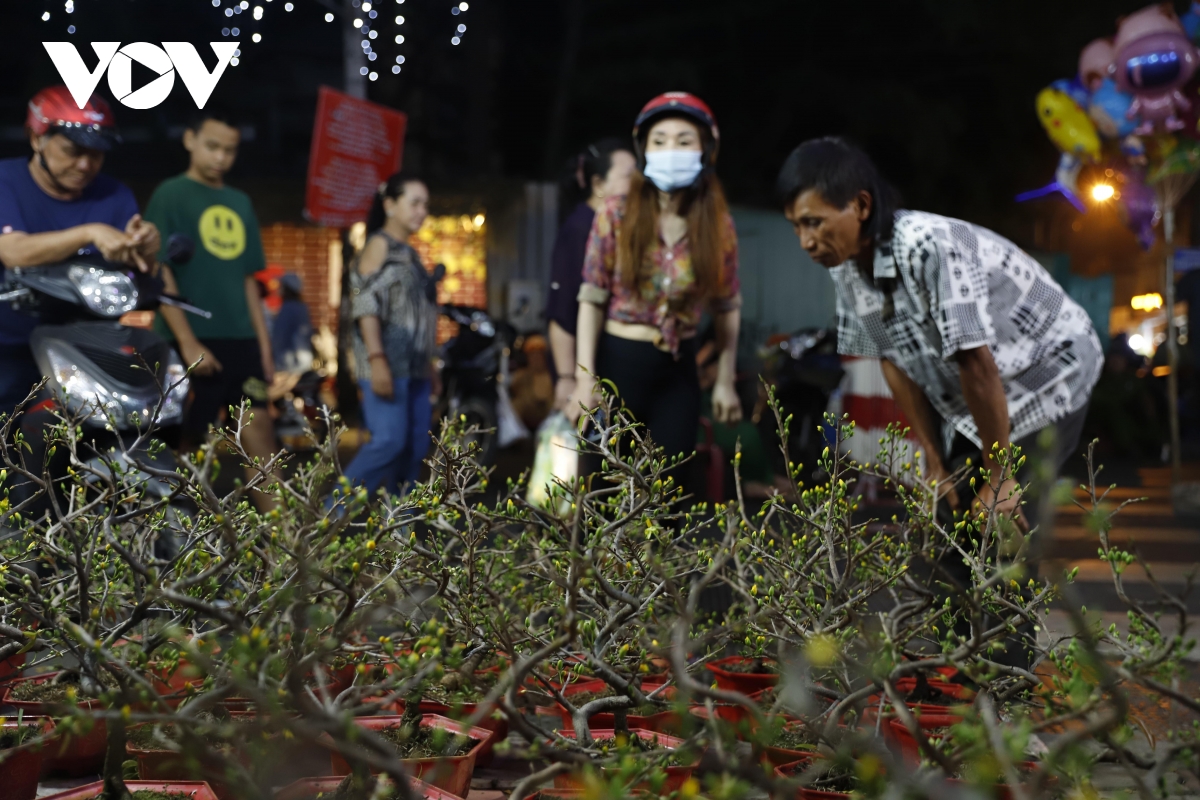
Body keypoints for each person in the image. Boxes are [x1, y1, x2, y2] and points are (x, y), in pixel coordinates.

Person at [776, 137, 1103, 534]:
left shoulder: (929, 248)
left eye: (814, 222)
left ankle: (1011, 585)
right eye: (796, 226)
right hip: (987, 390)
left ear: (861, 206)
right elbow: (892, 358)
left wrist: (999, 474)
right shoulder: (845, 267)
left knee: (1002, 525)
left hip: (1050, 367)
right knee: (954, 510)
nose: (805, 242)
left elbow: (975, 362)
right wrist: (932, 458)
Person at [568, 92, 743, 468]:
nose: (671, 150)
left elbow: (727, 304)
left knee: (667, 492)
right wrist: (584, 378)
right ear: (644, 151)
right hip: (617, 365)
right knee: (600, 487)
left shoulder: (717, 224)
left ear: (705, 150)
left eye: (684, 141)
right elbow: (592, 297)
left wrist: (725, 380)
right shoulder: (616, 212)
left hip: (678, 373)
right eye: (659, 141)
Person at [0, 86, 160, 416]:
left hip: (92, 345)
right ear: (36, 139)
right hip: (10, 345)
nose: (85, 164)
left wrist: (145, 245)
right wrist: (89, 232)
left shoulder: (114, 194)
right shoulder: (6, 181)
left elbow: (140, 268)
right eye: (72, 151)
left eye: (96, 154)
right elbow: (13, 252)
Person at [145, 108, 277, 505]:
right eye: (212, 146)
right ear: (190, 140)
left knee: (260, 438)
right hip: (186, 339)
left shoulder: (240, 201)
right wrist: (186, 343)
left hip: (241, 339)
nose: (221, 157)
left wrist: (265, 349)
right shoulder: (170, 194)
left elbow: (248, 279)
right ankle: (171, 545)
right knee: (183, 445)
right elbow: (159, 271)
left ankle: (286, 553)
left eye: (230, 150)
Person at [342, 173, 438, 496]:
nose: (421, 211)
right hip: (386, 366)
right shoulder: (379, 245)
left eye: (425, 204)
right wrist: (377, 358)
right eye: (414, 203)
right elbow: (365, 304)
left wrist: (431, 364)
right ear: (390, 205)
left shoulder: (408, 252)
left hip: (416, 370)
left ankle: (399, 533)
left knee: (412, 450)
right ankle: (330, 516)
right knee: (388, 443)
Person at [546, 139, 636, 410]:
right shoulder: (581, 228)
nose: (638, 184)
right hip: (585, 374)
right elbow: (562, 310)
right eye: (628, 176)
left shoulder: (617, 229)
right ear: (598, 185)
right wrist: (567, 377)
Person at [272, 272, 313, 373]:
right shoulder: (300, 307)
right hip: (297, 362)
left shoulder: (289, 308)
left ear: (287, 288)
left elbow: (280, 337)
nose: (279, 287)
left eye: (281, 285)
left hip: (290, 364)